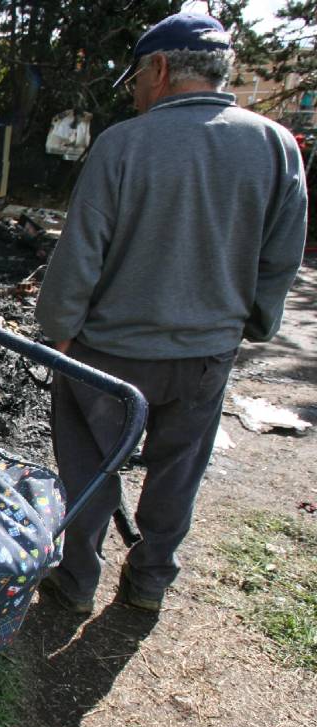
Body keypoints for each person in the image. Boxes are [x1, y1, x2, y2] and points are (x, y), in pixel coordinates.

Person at [34, 12, 308, 614]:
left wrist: (59, 334)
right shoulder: (272, 143)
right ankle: (150, 580)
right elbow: (282, 255)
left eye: (135, 78)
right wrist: (253, 323)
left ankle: (78, 582)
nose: (133, 93)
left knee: (88, 469)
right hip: (204, 355)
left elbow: (80, 252)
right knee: (177, 471)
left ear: (159, 69)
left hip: (107, 357)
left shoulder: (123, 144)